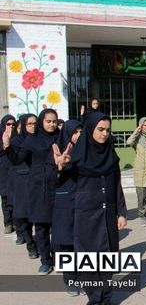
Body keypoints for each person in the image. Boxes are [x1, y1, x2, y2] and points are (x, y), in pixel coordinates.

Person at [68, 112, 127, 305]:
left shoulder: (110, 154)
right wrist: (61, 167)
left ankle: (107, 299)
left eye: (107, 130)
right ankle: (94, 301)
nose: (104, 134)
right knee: (91, 259)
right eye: (100, 129)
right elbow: (59, 182)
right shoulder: (76, 156)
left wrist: (121, 212)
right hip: (87, 215)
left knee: (109, 257)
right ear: (90, 129)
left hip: (108, 212)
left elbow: (116, 185)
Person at [6, 109, 59, 274]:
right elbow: (17, 160)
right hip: (37, 188)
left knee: (59, 227)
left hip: (59, 187)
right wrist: (7, 146)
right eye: (48, 121)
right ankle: (45, 260)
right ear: (43, 121)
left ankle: (60, 259)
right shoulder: (31, 140)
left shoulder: (61, 137)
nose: (51, 124)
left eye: (54, 121)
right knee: (42, 227)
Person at [51, 119, 82, 295]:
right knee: (66, 243)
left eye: (80, 131)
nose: (78, 135)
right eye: (75, 132)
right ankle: (70, 279)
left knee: (82, 242)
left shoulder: (87, 150)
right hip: (64, 202)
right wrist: (60, 167)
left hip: (84, 201)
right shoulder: (56, 150)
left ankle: (84, 276)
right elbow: (51, 180)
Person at [3, 114, 37, 256]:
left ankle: (44, 248)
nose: (33, 126)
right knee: (24, 218)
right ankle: (31, 246)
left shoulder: (41, 139)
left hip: (39, 181)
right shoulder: (17, 141)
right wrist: (7, 144)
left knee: (41, 219)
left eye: (35, 123)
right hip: (21, 182)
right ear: (23, 125)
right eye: (29, 124)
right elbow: (15, 160)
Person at [0, 114, 16, 234]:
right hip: (3, 171)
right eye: (8, 124)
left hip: (15, 171)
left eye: (13, 124)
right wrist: (5, 143)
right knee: (5, 198)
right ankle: (8, 223)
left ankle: (16, 221)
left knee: (16, 198)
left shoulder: (18, 137)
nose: (11, 126)